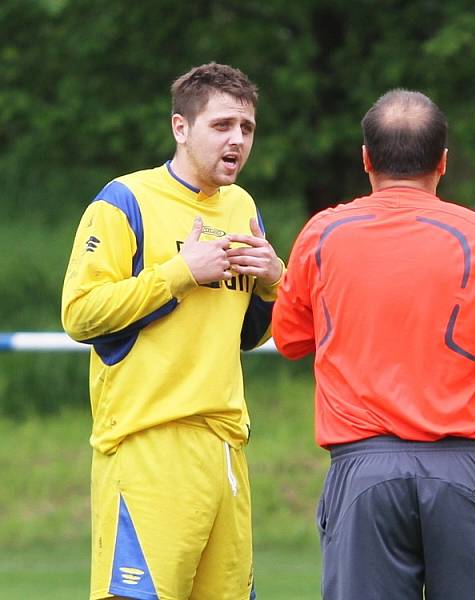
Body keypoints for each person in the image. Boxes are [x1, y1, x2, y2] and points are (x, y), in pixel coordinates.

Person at [271, 89, 475, 600]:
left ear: (366, 159)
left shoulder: (323, 233)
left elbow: (291, 340)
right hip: (463, 466)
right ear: (443, 162)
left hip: (364, 468)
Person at [61, 62, 284, 600]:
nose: (237, 140)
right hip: (149, 445)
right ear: (180, 128)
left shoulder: (242, 207)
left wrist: (276, 281)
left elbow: (245, 332)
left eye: (247, 128)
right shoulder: (125, 201)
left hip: (226, 446)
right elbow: (80, 314)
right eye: (222, 125)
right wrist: (182, 272)